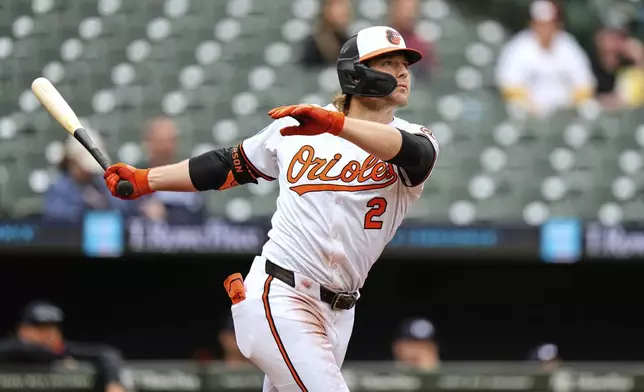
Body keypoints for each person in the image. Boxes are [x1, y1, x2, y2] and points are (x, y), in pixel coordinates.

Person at [102, 25, 440, 392]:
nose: (404, 71)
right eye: (389, 63)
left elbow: (412, 153)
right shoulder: (302, 127)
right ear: (355, 73)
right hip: (280, 293)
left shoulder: (416, 137)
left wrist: (338, 125)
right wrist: (145, 179)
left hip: (340, 311)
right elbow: (226, 164)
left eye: (405, 63)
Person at [495, 0, 596, 117]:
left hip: (566, 110)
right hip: (531, 111)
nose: (545, 29)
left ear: (557, 25)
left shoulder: (567, 44)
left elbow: (584, 82)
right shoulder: (519, 46)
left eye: (549, 24)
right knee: (516, 107)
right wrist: (531, 106)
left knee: (590, 107)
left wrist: (571, 105)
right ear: (532, 24)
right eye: (541, 24)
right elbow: (509, 85)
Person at [0, 301, 126, 392]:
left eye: (54, 328)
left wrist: (113, 382)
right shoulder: (10, 348)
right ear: (24, 330)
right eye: (42, 329)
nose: (50, 334)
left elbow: (106, 353)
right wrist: (58, 358)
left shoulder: (61, 349)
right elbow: (29, 351)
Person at [42, 131, 131, 222]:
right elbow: (58, 222)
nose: (89, 172)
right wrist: (85, 204)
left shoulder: (101, 182)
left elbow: (122, 208)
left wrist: (103, 202)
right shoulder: (58, 190)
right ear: (72, 162)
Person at [135, 116, 207, 224]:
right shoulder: (136, 175)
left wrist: (168, 215)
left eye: (170, 140)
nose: (166, 147)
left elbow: (199, 216)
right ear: (150, 142)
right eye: (161, 141)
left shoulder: (188, 175)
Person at [300, 0, 352, 67]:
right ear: (325, 9)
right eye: (338, 5)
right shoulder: (313, 46)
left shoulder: (347, 41)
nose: (345, 10)